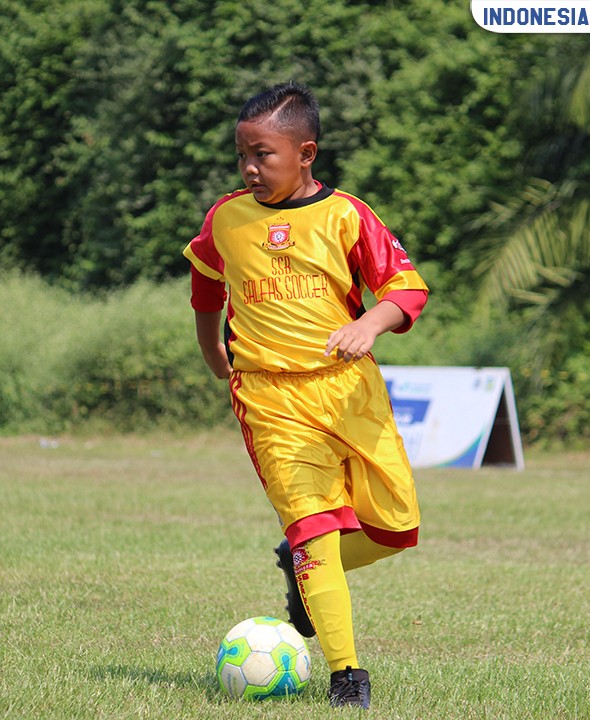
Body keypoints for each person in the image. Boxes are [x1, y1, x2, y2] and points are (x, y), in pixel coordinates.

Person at [183, 81, 428, 710]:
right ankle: (347, 675)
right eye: (242, 155)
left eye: (263, 154)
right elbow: (206, 290)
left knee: (397, 527)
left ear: (305, 152)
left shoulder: (347, 215)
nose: (249, 168)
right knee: (315, 526)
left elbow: (406, 290)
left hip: (350, 393)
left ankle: (302, 568)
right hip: (269, 397)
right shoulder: (226, 219)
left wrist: (368, 325)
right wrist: (215, 355)